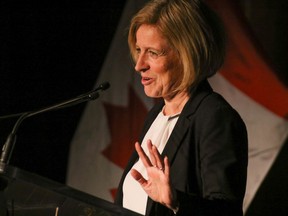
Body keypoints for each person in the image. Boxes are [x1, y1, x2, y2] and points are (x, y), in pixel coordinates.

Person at [114, 0, 248, 215]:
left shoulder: (215, 117)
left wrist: (177, 203)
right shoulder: (156, 114)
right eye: (139, 50)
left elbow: (227, 211)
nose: (139, 65)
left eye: (153, 53)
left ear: (187, 55)